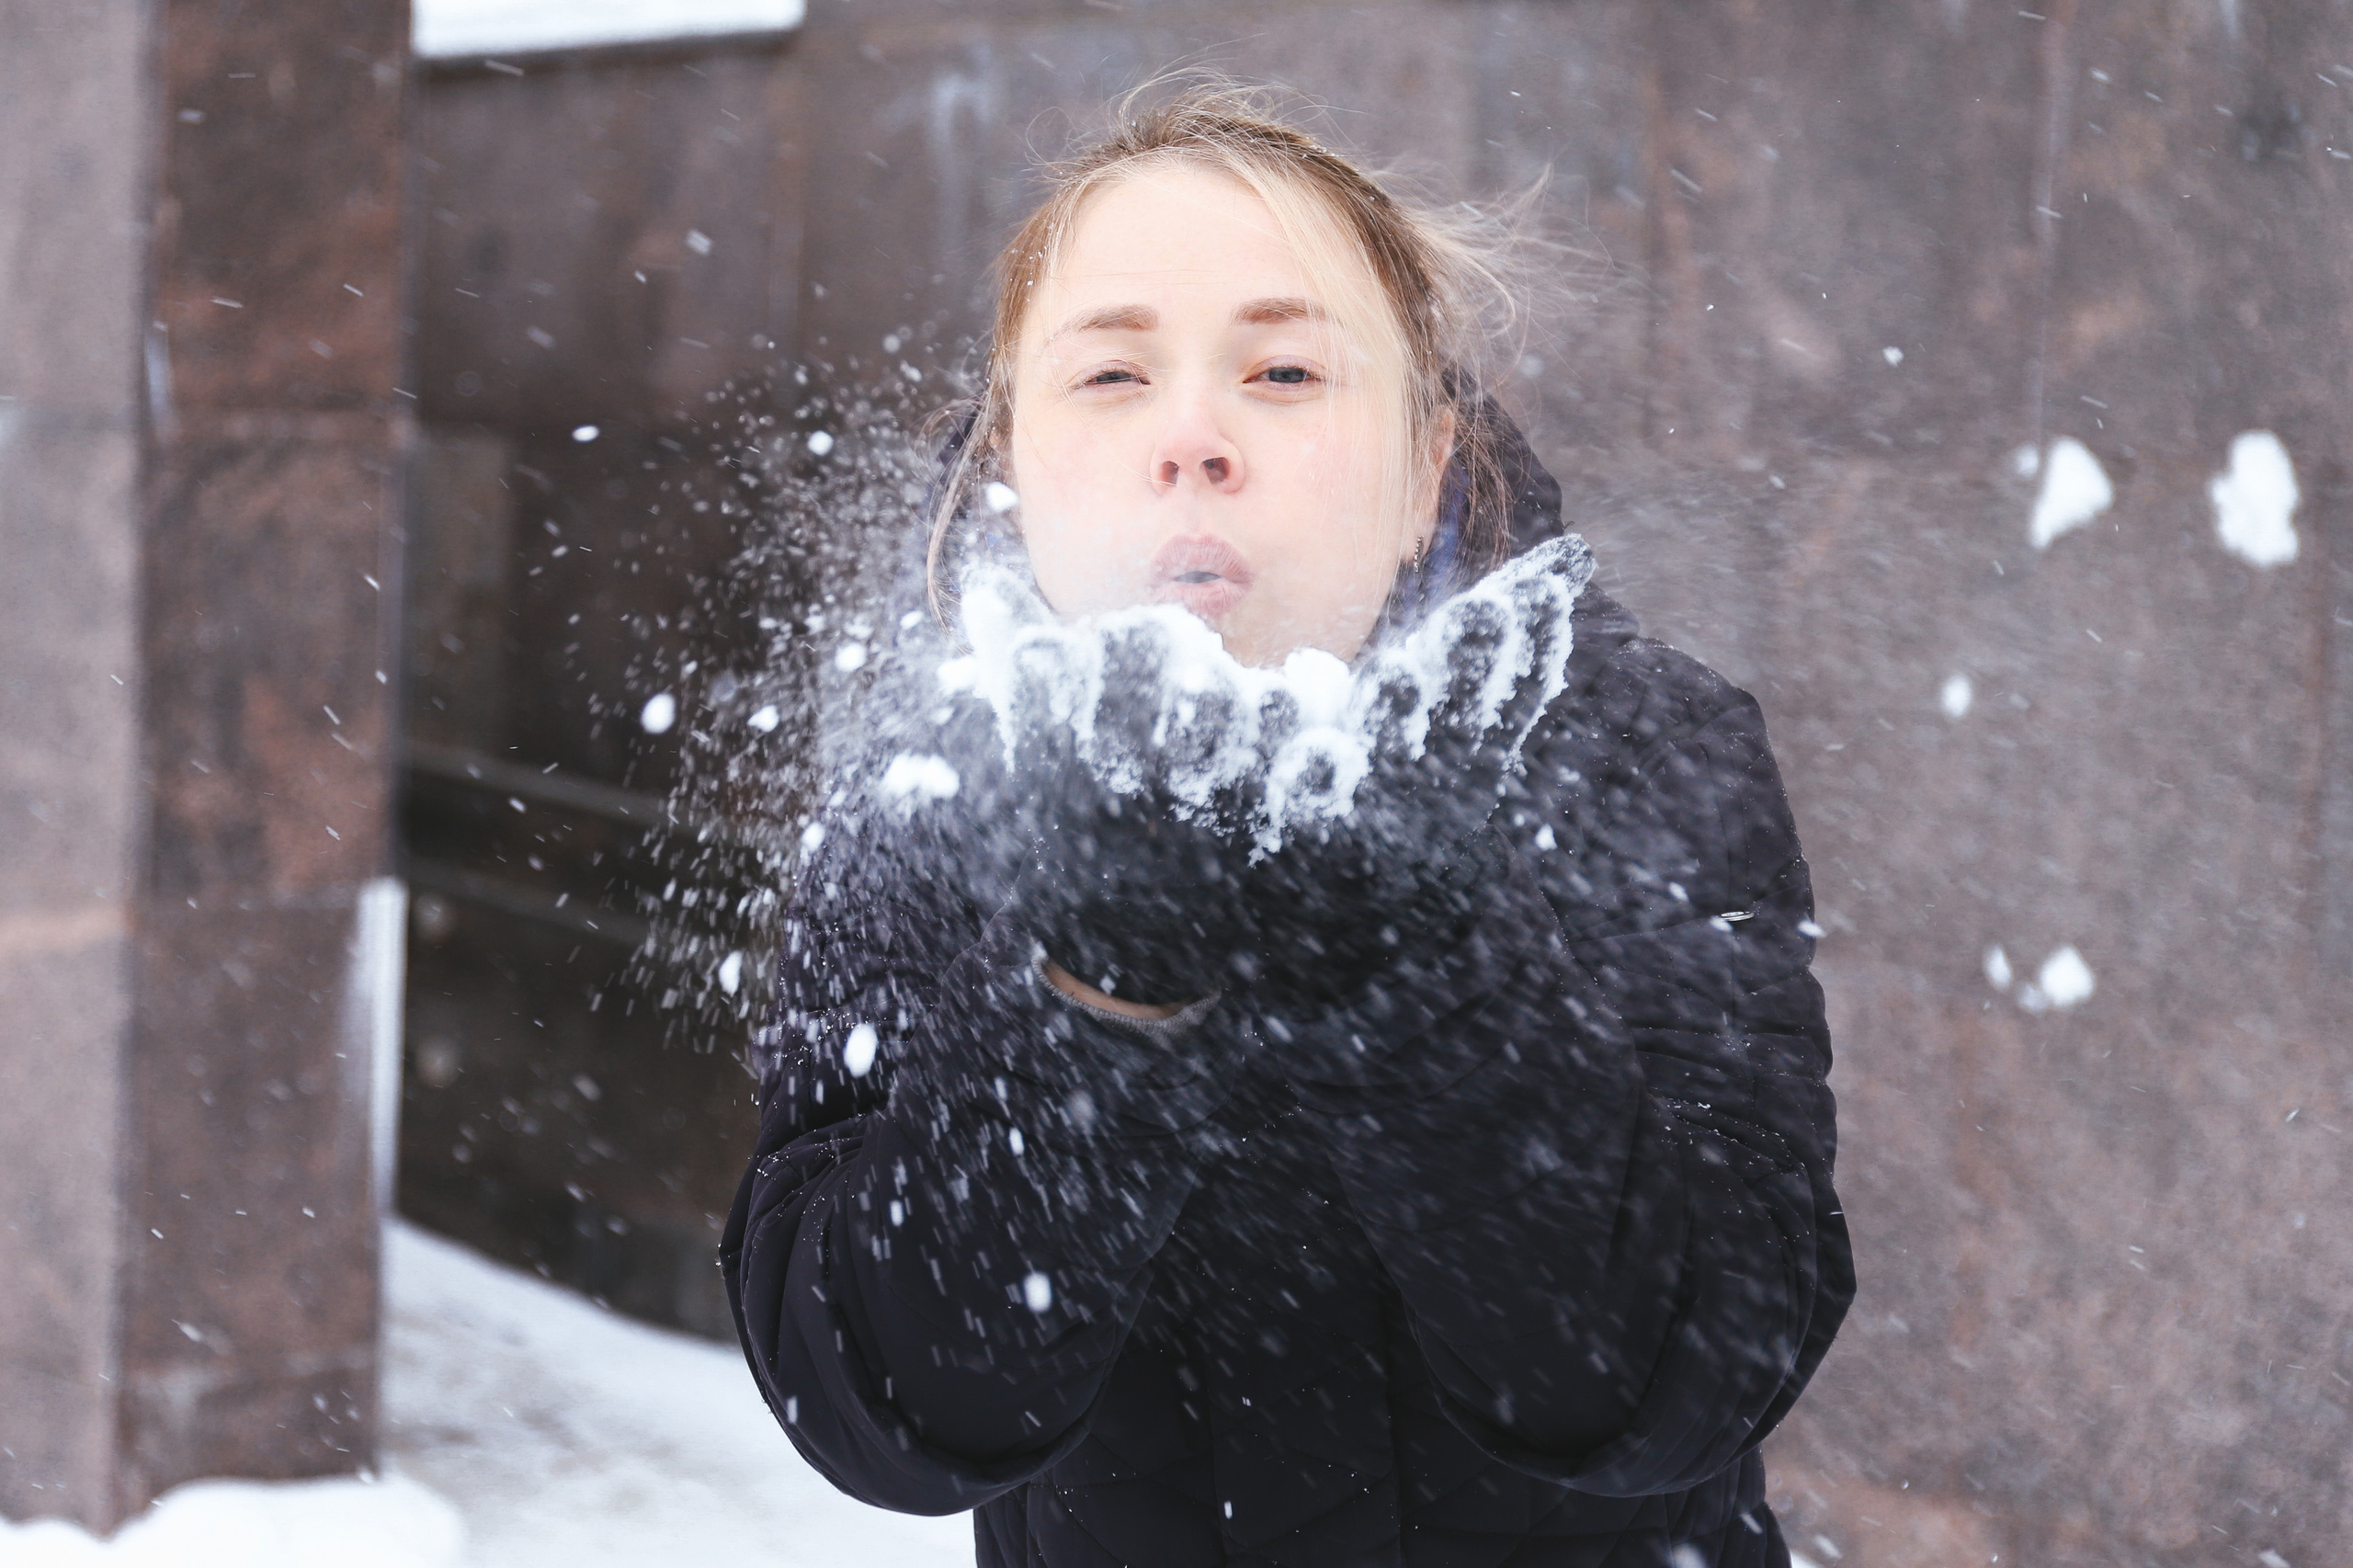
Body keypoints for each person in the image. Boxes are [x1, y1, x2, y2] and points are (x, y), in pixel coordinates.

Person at [723, 82, 1852, 1567]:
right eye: (1112, 375)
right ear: (1014, 470)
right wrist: (1090, 1006)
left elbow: (1703, 1363)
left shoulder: (1636, 751)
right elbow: (877, 1400)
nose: (1194, 437)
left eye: (1286, 371)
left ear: (1426, 469)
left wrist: (1424, 976)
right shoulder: (929, 803)